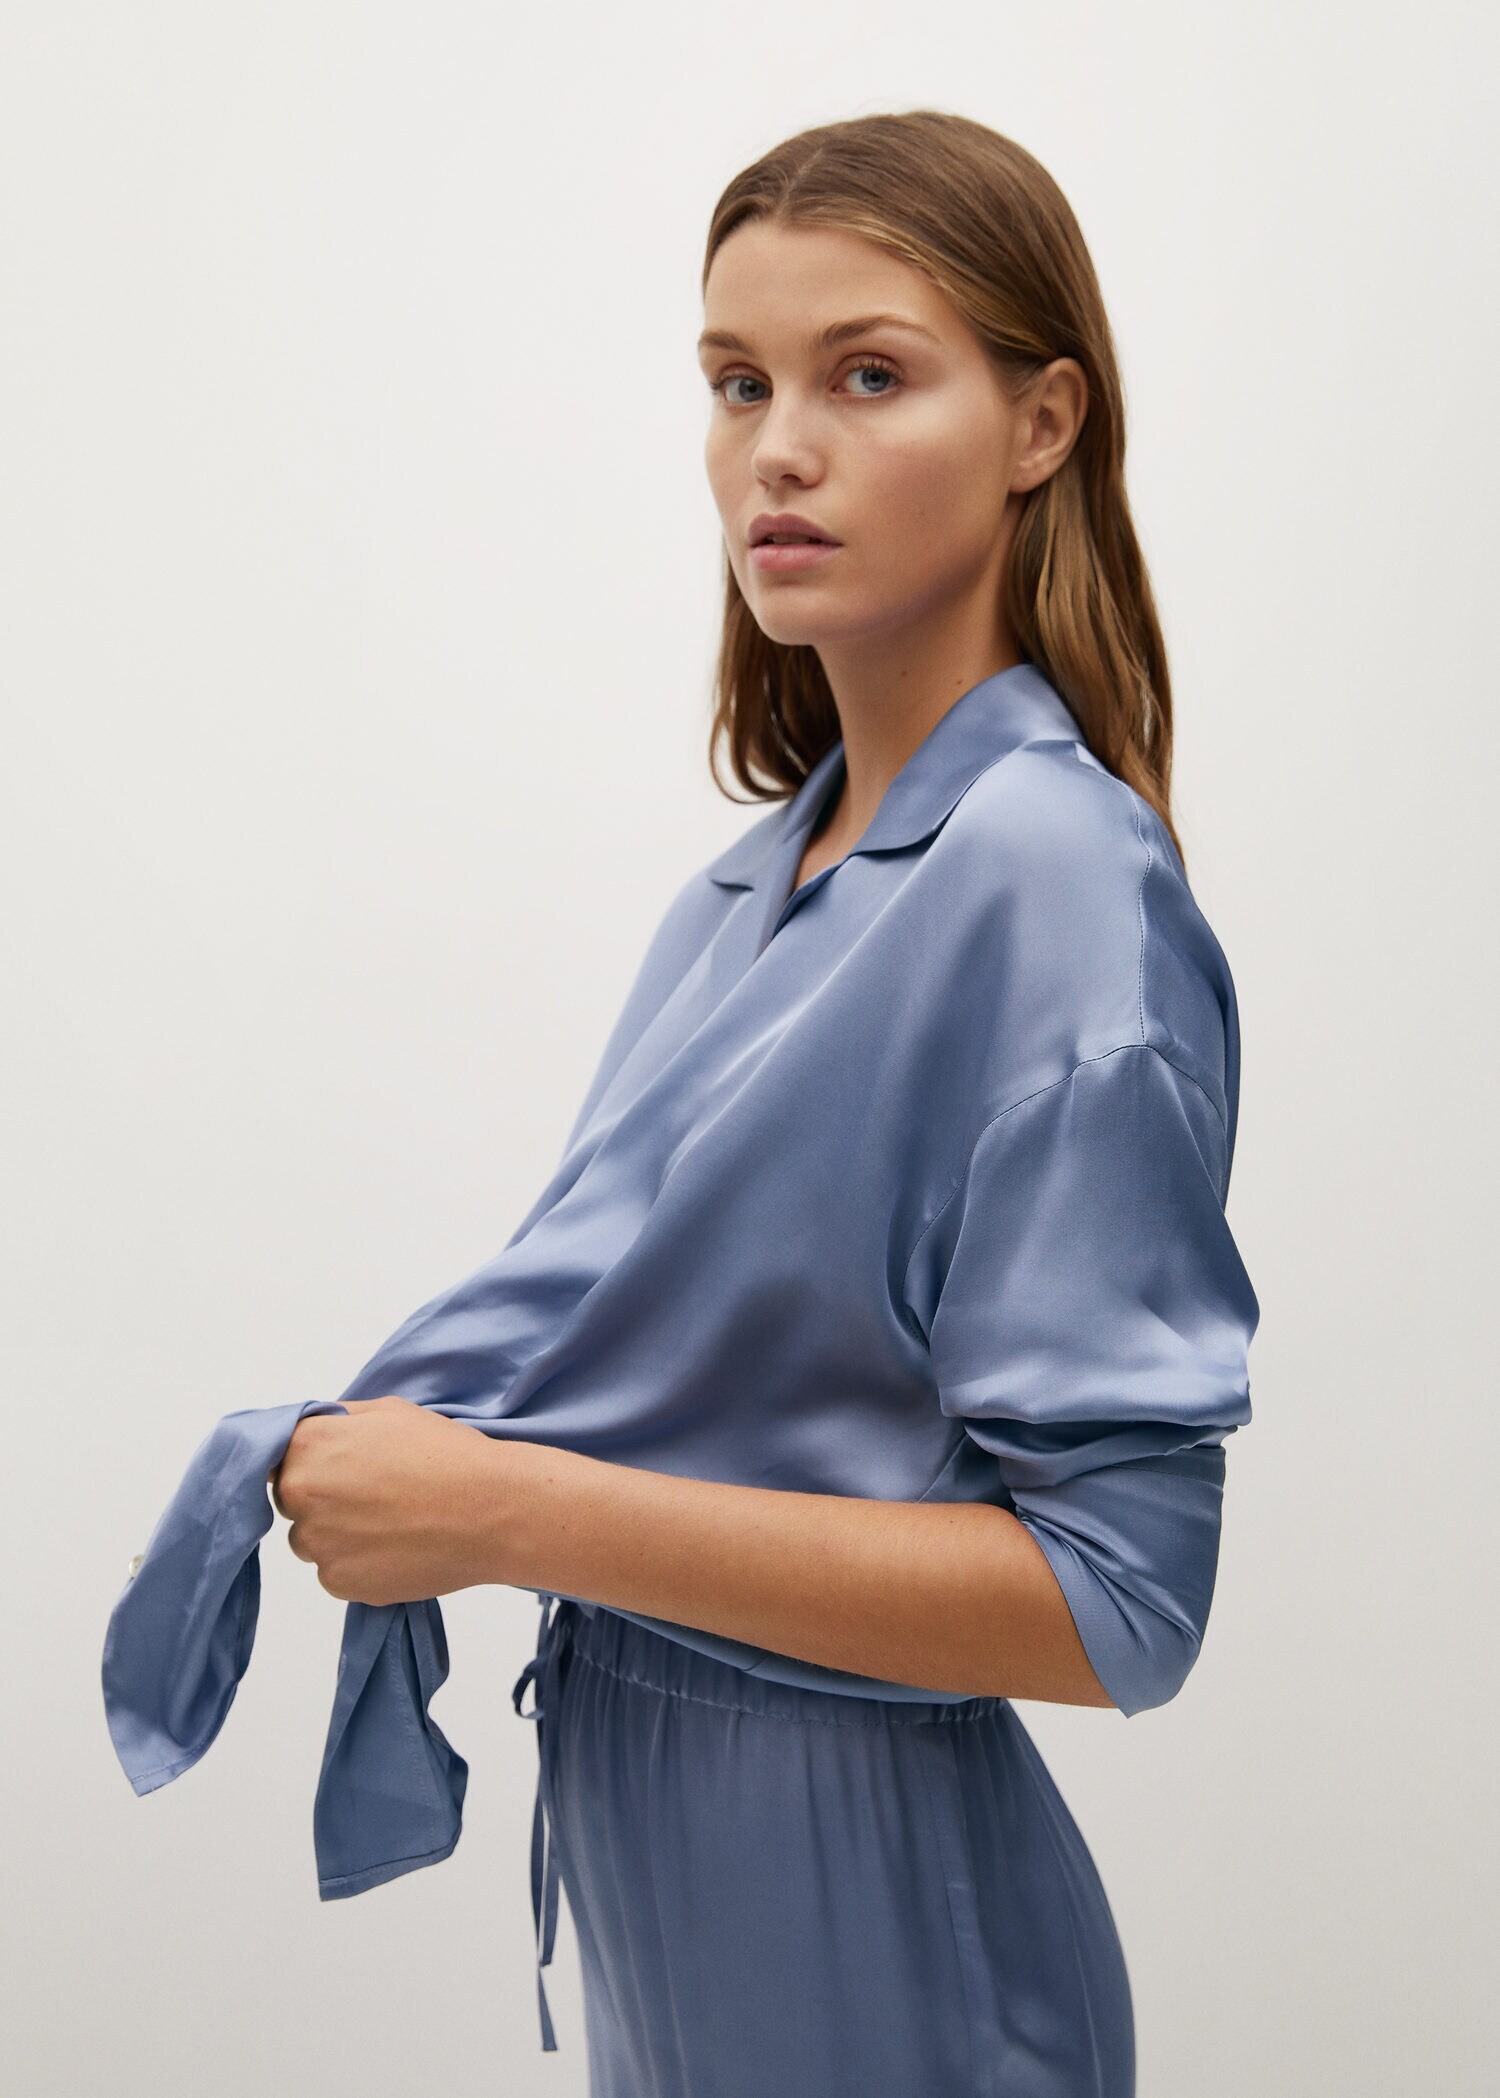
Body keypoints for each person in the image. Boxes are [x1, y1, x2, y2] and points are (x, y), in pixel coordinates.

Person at [270, 110, 1260, 2098]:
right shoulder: (744, 894)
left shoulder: (1055, 888)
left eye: (866, 376)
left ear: (1043, 422)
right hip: (671, 1937)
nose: (777, 450)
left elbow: (1121, 1601)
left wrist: (499, 1506)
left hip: (889, 1961)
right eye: (738, 384)